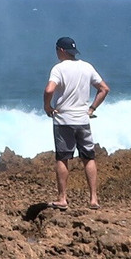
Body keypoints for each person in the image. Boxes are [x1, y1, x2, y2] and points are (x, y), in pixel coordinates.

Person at [43, 36, 109, 210]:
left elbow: (49, 89)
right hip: (83, 119)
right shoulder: (87, 67)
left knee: (63, 158)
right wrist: (91, 109)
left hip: (64, 120)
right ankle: (93, 199)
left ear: (61, 50)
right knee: (88, 157)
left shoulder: (59, 69)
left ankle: (62, 199)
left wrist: (47, 107)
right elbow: (104, 89)